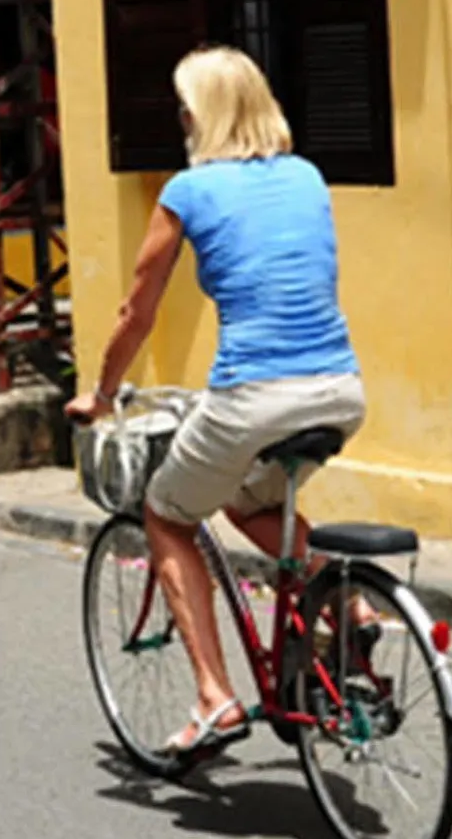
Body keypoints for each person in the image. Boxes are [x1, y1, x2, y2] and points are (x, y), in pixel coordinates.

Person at [64, 46, 370, 761]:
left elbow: (135, 312)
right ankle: (349, 604)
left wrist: (101, 395)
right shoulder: (307, 177)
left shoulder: (189, 191)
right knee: (253, 502)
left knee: (168, 514)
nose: (178, 120)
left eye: (183, 108)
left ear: (201, 116)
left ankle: (213, 696)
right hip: (339, 389)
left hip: (253, 396)